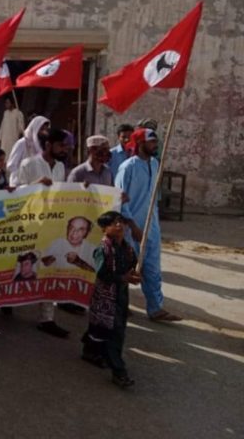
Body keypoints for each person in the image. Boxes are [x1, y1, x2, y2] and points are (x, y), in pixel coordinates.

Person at [115, 128, 181, 322]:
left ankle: (156, 308)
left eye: (156, 142)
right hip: (131, 228)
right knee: (126, 270)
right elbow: (119, 199)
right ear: (140, 143)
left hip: (151, 227)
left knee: (152, 269)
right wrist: (132, 225)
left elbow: (154, 197)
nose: (155, 145)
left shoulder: (155, 164)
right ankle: (120, 307)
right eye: (151, 142)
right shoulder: (128, 167)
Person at [15, 127, 71, 338]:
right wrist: (35, 186)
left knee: (50, 268)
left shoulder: (60, 167)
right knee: (24, 268)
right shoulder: (29, 164)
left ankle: (47, 317)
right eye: (60, 145)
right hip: (31, 225)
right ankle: (8, 304)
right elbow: (16, 194)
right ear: (48, 145)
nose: (64, 149)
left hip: (52, 225)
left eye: (65, 146)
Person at [81, 211, 141, 388]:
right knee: (114, 331)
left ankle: (89, 351)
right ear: (104, 229)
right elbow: (101, 273)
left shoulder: (127, 248)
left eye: (121, 222)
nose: (119, 226)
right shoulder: (103, 249)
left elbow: (134, 265)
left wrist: (136, 274)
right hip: (106, 295)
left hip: (121, 294)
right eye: (114, 223)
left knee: (103, 326)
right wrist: (123, 278)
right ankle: (119, 371)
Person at [6, 115, 50, 186]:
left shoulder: (41, 145)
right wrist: (21, 176)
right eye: (41, 129)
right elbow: (11, 165)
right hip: (19, 184)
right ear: (35, 128)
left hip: (35, 184)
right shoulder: (22, 143)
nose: (44, 132)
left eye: (46, 130)